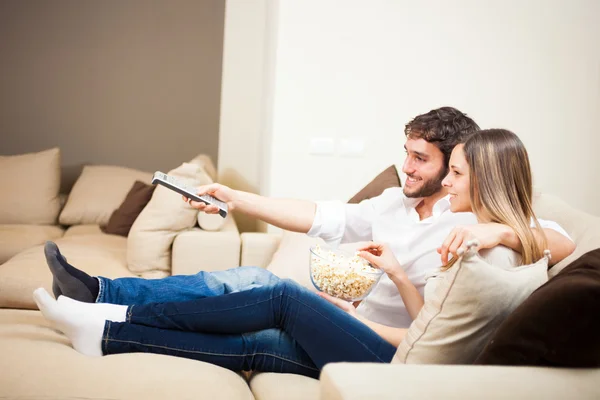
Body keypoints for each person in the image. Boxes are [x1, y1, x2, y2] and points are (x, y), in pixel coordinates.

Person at [34, 129, 574, 378]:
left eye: (430, 163)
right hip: (367, 333)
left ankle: (112, 311)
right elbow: (321, 215)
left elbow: (561, 241)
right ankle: (103, 321)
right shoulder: (402, 206)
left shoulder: (479, 231)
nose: (408, 168)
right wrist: (238, 198)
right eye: (404, 155)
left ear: (472, 174)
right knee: (253, 323)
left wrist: (497, 234)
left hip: (385, 354)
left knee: (279, 296)